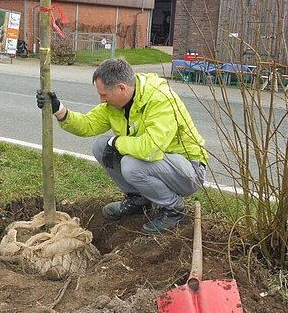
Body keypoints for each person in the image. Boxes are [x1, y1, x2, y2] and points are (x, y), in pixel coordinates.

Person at [36, 58, 208, 234]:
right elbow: (88, 124)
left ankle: (174, 210)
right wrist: (59, 111)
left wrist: (116, 142)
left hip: (189, 171)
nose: (102, 100)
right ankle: (139, 199)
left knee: (131, 165)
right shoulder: (115, 105)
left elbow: (151, 149)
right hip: (159, 165)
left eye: (104, 95)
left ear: (121, 88)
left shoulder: (160, 99)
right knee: (101, 147)